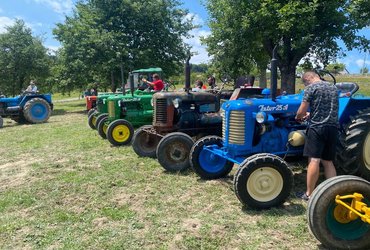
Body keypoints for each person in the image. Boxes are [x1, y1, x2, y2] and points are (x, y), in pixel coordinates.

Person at [295, 71, 338, 201]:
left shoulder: (311, 88)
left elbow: (301, 111)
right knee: (328, 161)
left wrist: (298, 117)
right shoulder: (333, 87)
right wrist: (310, 114)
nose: (306, 84)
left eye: (305, 82)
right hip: (332, 128)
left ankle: (309, 194)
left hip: (317, 128)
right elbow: (325, 108)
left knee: (314, 160)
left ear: (307, 79)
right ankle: (333, 192)